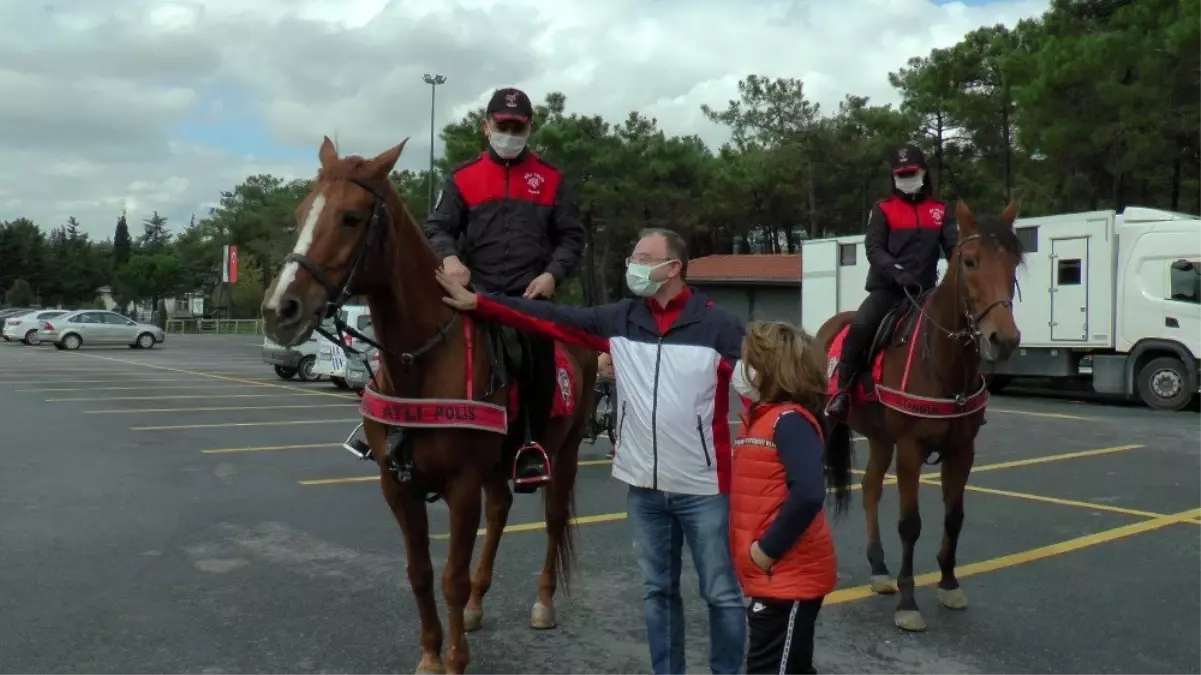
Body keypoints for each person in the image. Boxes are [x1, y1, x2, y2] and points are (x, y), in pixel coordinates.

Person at [436, 228, 747, 675]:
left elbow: (757, 386)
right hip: (644, 489)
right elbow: (547, 317)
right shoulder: (620, 318)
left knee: (720, 594)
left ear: (673, 268)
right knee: (658, 592)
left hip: (704, 489)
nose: (633, 266)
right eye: (633, 256)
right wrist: (482, 304)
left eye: (643, 257)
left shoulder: (719, 326)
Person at [345, 87, 586, 486]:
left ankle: (530, 444)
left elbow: (571, 238)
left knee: (535, 355)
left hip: (528, 297)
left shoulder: (552, 179)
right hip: (472, 291)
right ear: (486, 125)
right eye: (502, 124)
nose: (509, 131)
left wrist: (552, 275)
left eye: (517, 126)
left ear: (529, 128)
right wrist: (451, 259)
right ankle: (387, 425)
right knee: (412, 338)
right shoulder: (461, 177)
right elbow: (438, 227)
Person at [730, 322, 842, 675]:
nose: (743, 369)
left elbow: (808, 494)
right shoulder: (765, 419)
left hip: (785, 577)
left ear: (772, 370)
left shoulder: (789, 421)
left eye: (751, 361)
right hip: (776, 577)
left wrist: (765, 551)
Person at [826, 143, 955, 421]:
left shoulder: (941, 210)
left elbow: (954, 248)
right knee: (860, 326)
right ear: (894, 177)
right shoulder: (883, 209)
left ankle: (966, 394)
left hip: (927, 292)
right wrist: (898, 273)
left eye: (912, 173)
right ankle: (842, 392)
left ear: (923, 172)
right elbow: (874, 249)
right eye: (902, 175)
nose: (907, 179)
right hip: (889, 289)